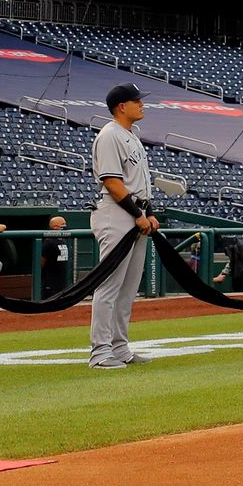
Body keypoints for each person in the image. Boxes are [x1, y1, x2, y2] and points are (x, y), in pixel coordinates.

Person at [89, 86, 155, 368]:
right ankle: (100, 352)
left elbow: (138, 184)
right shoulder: (109, 135)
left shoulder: (131, 136)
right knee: (109, 286)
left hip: (134, 212)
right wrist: (137, 213)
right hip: (116, 214)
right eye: (136, 101)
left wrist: (147, 213)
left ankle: (119, 347)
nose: (142, 105)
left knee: (128, 289)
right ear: (121, 106)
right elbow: (112, 182)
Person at [41, 215, 72, 297]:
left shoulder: (63, 240)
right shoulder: (48, 242)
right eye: (62, 224)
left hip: (62, 280)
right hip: (51, 280)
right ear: (55, 227)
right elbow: (42, 261)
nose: (65, 226)